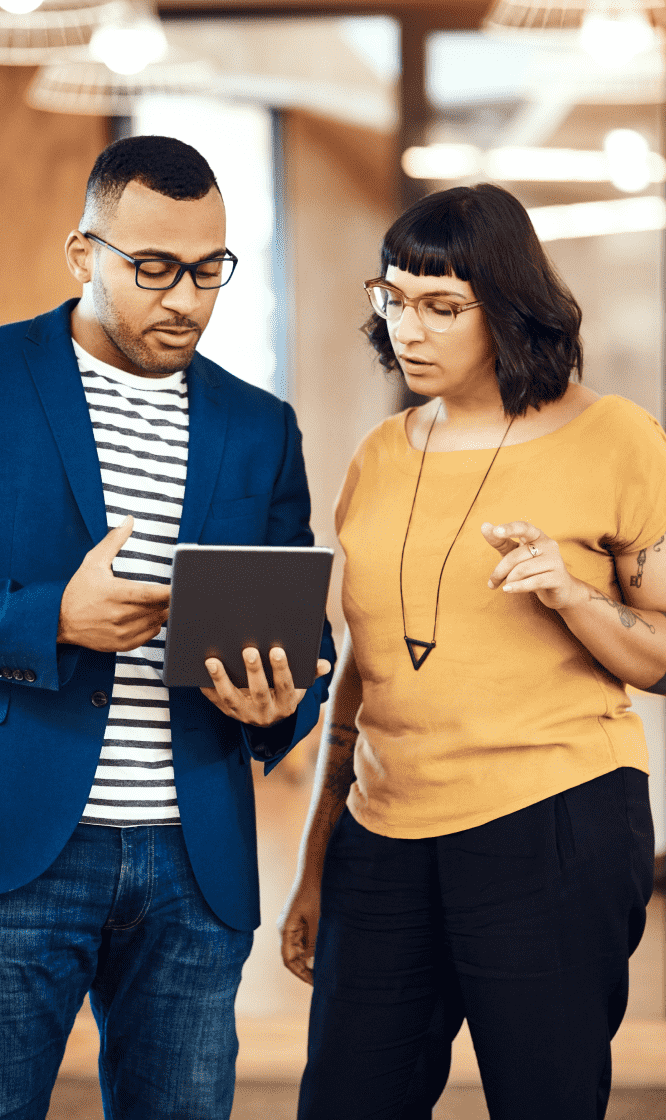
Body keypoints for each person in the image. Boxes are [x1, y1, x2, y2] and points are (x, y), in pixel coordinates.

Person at [0, 134, 335, 1120]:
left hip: (194, 861)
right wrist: (51, 614)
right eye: (154, 269)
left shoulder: (259, 425)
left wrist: (283, 701)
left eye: (209, 270)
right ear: (80, 254)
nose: (186, 298)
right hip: (10, 845)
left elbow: (301, 639)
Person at [279, 182, 663, 1120]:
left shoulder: (617, 438)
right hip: (384, 830)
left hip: (554, 822)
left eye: (442, 308)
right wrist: (316, 861)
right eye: (395, 299)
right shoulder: (378, 453)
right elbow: (363, 675)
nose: (409, 329)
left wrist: (570, 594)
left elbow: (658, 657)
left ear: (512, 308)